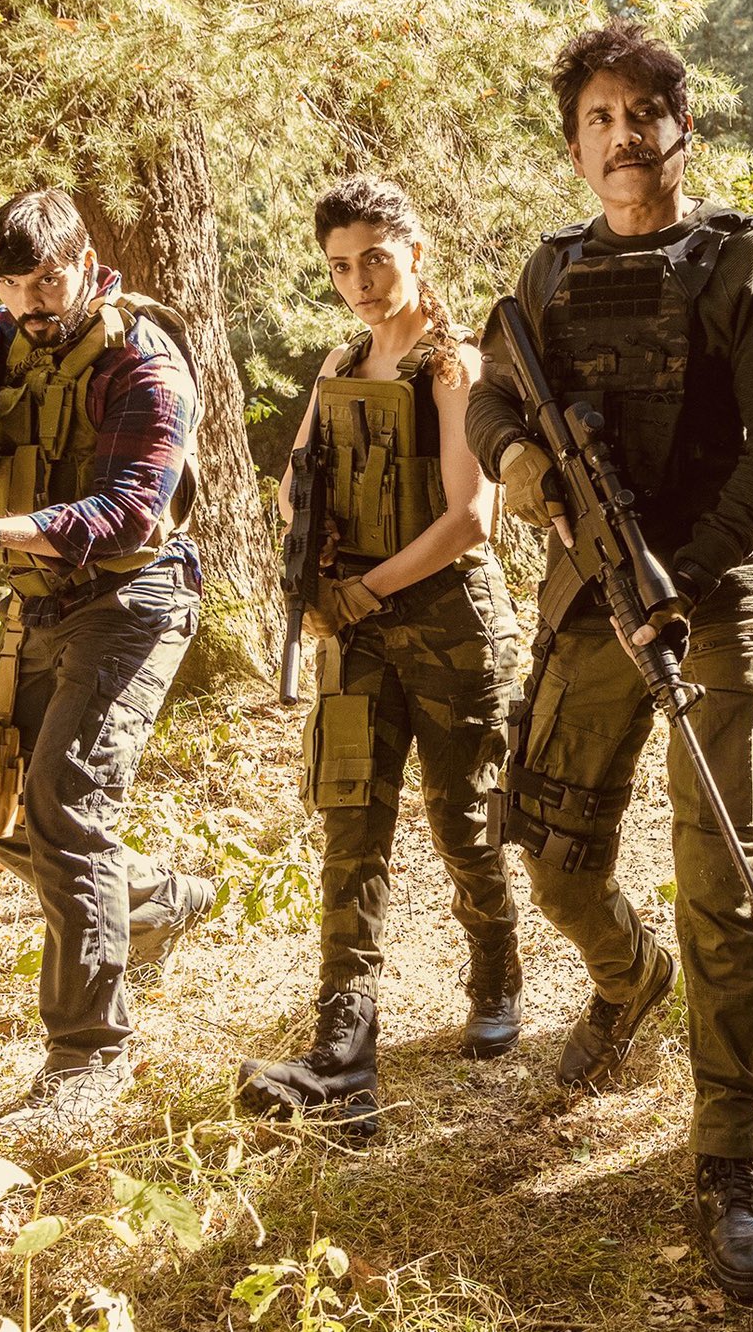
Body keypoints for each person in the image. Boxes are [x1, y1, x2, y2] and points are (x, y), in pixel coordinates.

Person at [465, 19, 753, 1300]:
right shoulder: (550, 270)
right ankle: (628, 975)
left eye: (642, 113)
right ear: (576, 148)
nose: (622, 137)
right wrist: (516, 459)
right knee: (551, 851)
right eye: (598, 119)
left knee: (725, 879)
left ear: (683, 129)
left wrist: (686, 579)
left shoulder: (751, 262)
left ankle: (728, 1155)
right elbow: (490, 393)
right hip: (588, 593)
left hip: (716, 594)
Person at [0, 189, 214, 1134]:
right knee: (2, 806)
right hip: (41, 601)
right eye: (11, 286)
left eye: (45, 282)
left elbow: (128, 514)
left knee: (64, 802)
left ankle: (88, 1055)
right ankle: (160, 901)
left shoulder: (144, 363)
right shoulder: (2, 341)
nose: (30, 304)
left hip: (134, 601)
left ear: (86, 262)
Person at [237, 175, 522, 1128]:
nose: (358, 281)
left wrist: (363, 590)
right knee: (352, 827)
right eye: (339, 267)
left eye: (374, 260)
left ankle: (496, 969)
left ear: (415, 253)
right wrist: (310, 541)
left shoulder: (454, 366)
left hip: (448, 624)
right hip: (356, 625)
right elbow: (293, 479)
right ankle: (342, 1045)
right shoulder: (341, 360)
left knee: (463, 823)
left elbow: (471, 519)